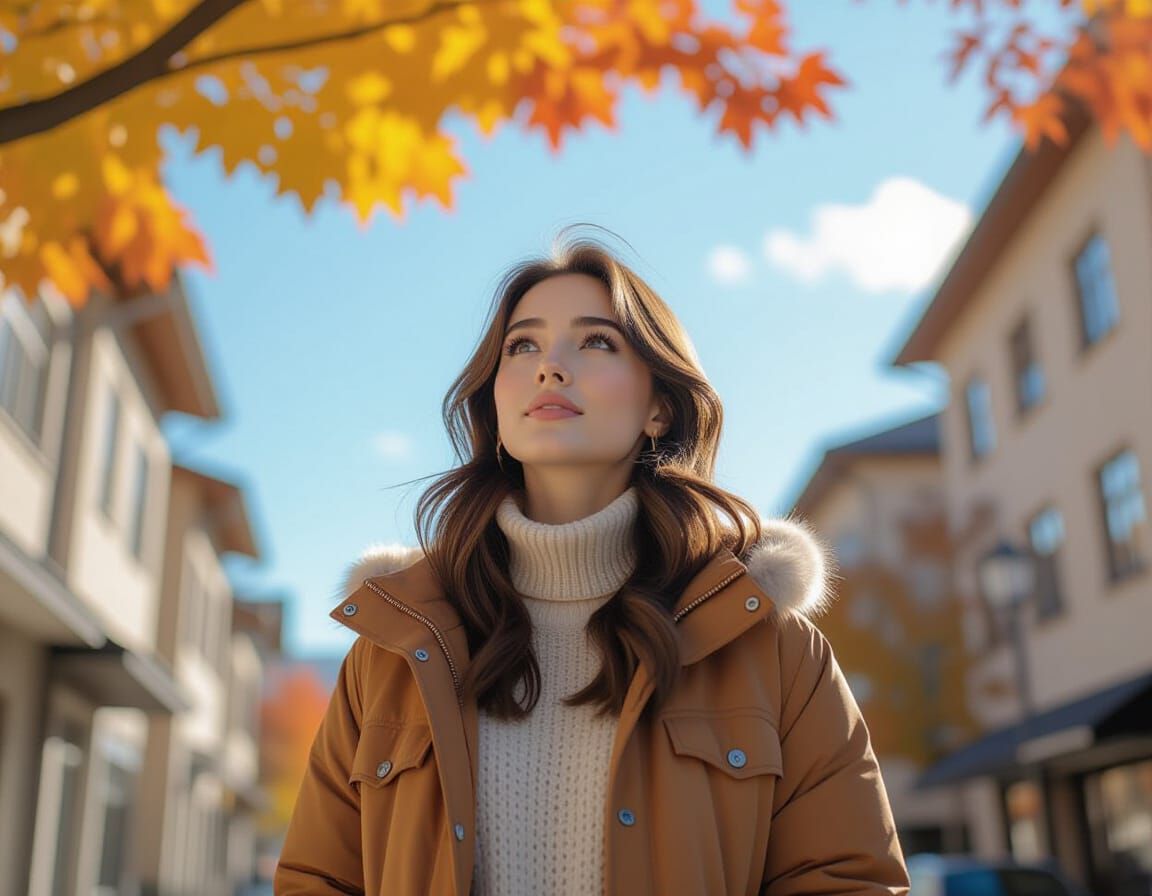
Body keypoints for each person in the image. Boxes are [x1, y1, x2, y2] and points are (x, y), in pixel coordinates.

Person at [274, 227, 910, 896]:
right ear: (496, 401)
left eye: (596, 341)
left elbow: (848, 881)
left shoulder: (771, 648)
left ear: (660, 406)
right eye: (523, 346)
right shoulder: (394, 652)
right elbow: (316, 881)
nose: (549, 366)